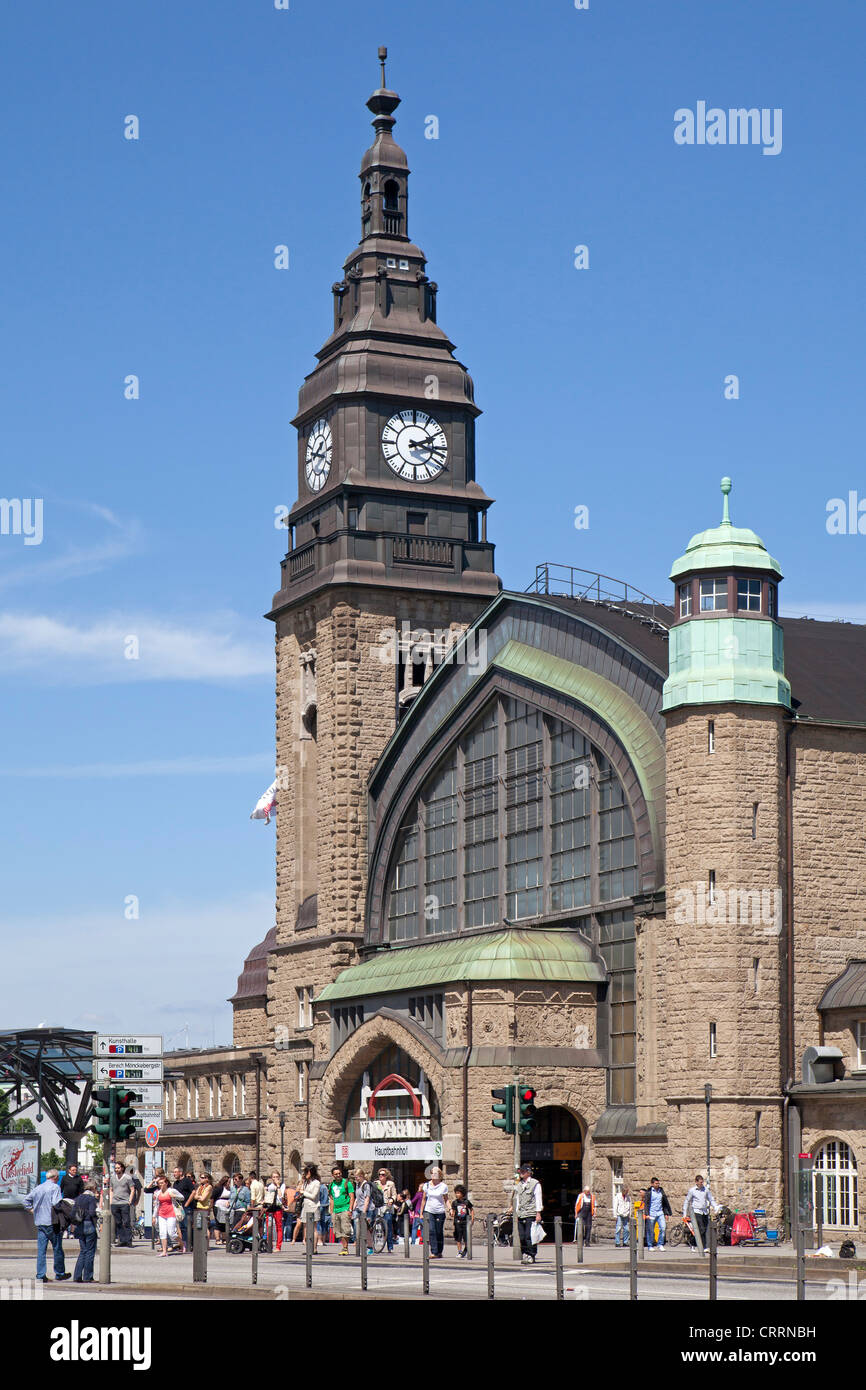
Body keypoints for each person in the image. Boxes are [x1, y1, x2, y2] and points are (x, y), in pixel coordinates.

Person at [24, 1169, 70, 1282]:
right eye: (58, 1177)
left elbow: (26, 1201)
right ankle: (59, 1273)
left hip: (40, 1221)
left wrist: (33, 1210)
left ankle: (40, 1275)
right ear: (55, 1177)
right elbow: (56, 1203)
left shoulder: (38, 1188)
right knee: (57, 1248)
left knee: (41, 1250)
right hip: (52, 1222)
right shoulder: (55, 1187)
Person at [71, 1179, 100, 1282]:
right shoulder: (91, 1198)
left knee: (83, 1251)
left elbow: (72, 1213)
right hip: (89, 1225)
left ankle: (77, 1276)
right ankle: (88, 1277)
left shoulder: (78, 1198)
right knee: (90, 1252)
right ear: (93, 1188)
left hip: (79, 1226)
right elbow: (92, 1213)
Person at [514, 1163, 544, 1265]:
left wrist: (538, 1213)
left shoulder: (535, 1184)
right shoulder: (519, 1185)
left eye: (523, 1171)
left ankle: (531, 1255)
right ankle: (525, 1253)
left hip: (531, 1213)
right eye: (520, 1171)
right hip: (521, 1213)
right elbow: (518, 1200)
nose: (521, 1173)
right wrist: (517, 1213)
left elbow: (538, 1199)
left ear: (528, 1172)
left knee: (529, 1236)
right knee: (522, 1236)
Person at [683, 1174, 720, 1250]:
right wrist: (685, 1213)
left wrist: (715, 1206)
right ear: (696, 1182)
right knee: (701, 1229)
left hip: (704, 1211)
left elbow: (710, 1199)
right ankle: (702, 1246)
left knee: (704, 1229)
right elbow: (687, 1201)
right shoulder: (692, 1191)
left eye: (702, 1182)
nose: (701, 1184)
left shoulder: (706, 1190)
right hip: (696, 1211)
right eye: (700, 1182)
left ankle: (695, 1243)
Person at [420, 1168, 449, 1259]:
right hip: (429, 1210)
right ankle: (434, 1252)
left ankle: (439, 1251)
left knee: (439, 1232)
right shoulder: (427, 1185)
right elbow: (424, 1199)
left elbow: (446, 1199)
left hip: (440, 1211)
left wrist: (450, 1208)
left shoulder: (443, 1186)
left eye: (435, 1173)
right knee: (431, 1231)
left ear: (439, 1175)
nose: (433, 1175)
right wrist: (421, 1213)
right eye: (432, 1173)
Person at [153, 1175, 185, 1257]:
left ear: (166, 1183)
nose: (160, 1185)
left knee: (171, 1233)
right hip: (161, 1214)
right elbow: (156, 1205)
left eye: (162, 1183)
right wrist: (154, 1216)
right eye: (159, 1183)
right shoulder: (158, 1193)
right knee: (162, 1233)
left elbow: (182, 1197)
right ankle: (164, 1251)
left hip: (171, 1213)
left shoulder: (171, 1191)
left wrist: (175, 1196)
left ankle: (182, 1243)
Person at [292, 1163, 321, 1248]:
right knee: (306, 1226)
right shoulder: (306, 1183)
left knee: (314, 1228)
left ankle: (314, 1247)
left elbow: (313, 1196)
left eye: (307, 1173)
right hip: (305, 1206)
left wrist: (303, 1192)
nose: (305, 1175)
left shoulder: (316, 1183)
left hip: (313, 1206)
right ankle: (308, 1246)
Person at [329, 1166, 354, 1255]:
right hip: (336, 1210)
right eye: (336, 1174)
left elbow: (351, 1197)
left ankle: (345, 1248)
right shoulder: (331, 1185)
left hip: (345, 1208)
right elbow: (331, 1198)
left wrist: (350, 1209)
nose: (338, 1175)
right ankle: (344, 1247)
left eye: (339, 1173)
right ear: (333, 1175)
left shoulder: (347, 1183)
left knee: (345, 1229)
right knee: (337, 1230)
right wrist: (331, 1211)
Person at [110, 1161, 135, 1248]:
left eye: (118, 1168)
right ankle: (122, 1240)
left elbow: (132, 1189)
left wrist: (129, 1200)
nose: (117, 1170)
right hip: (115, 1203)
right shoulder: (113, 1178)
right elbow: (111, 1189)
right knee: (118, 1222)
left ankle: (129, 1241)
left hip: (124, 1202)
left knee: (126, 1222)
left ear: (122, 1168)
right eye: (116, 1168)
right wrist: (111, 1201)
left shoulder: (128, 1178)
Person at [643, 1176, 672, 1250]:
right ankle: (650, 1245)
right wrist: (647, 1214)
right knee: (650, 1230)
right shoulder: (649, 1192)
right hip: (651, 1213)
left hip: (660, 1213)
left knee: (663, 1227)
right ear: (652, 1184)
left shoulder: (661, 1191)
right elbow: (646, 1203)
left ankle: (660, 1244)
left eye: (658, 1183)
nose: (657, 1185)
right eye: (656, 1183)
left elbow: (664, 1202)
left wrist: (666, 1213)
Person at [172, 1167, 195, 1252]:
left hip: (186, 1207)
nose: (174, 1174)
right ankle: (184, 1245)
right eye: (174, 1172)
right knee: (181, 1227)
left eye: (175, 1172)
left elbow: (193, 1192)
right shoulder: (175, 1183)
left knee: (187, 1226)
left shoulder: (186, 1181)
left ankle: (190, 1244)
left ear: (180, 1173)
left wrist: (187, 1203)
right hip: (179, 1207)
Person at [375, 1168, 398, 1253]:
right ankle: (375, 1245)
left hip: (387, 1207)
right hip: (378, 1207)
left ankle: (390, 1246)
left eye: (383, 1174)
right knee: (376, 1226)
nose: (381, 1176)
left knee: (387, 1226)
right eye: (379, 1174)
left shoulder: (390, 1184)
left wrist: (391, 1200)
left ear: (386, 1176)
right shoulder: (376, 1184)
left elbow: (394, 1195)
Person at [189, 1173, 213, 1249]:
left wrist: (198, 1197)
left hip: (204, 1208)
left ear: (207, 1179)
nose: (201, 1179)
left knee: (205, 1227)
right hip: (198, 1207)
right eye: (200, 1177)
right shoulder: (200, 1186)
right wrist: (198, 1197)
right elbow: (195, 1196)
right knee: (198, 1226)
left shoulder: (209, 1187)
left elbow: (203, 1199)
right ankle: (200, 1243)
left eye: (203, 1177)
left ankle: (207, 1245)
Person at [449, 1184, 474, 1258]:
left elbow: (471, 1209)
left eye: (458, 1193)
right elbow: (453, 1212)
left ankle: (466, 1249)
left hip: (465, 1222)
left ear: (462, 1193)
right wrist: (451, 1213)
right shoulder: (455, 1203)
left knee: (466, 1238)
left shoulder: (466, 1202)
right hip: (457, 1222)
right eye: (456, 1193)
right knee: (458, 1238)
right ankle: (459, 1251)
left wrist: (472, 1218)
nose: (457, 1194)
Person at [351, 1169, 373, 1253]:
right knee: (356, 1224)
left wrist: (364, 1211)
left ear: (362, 1176)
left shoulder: (366, 1185)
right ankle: (357, 1241)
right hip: (358, 1208)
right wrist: (353, 1208)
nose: (356, 1179)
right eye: (355, 1177)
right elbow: (357, 1197)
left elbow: (367, 1199)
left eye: (357, 1177)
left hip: (367, 1209)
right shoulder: (357, 1184)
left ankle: (370, 1247)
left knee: (366, 1228)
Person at [264, 1172, 285, 1249]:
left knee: (278, 1226)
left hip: (277, 1207)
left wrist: (278, 1186)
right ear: (271, 1178)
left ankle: (278, 1246)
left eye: (277, 1177)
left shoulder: (282, 1185)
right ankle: (269, 1245)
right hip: (269, 1207)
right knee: (268, 1226)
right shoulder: (269, 1186)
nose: (275, 1178)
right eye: (273, 1177)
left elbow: (280, 1195)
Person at [212, 1174, 231, 1247]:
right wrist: (211, 1206)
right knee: (218, 1222)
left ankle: (224, 1239)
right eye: (228, 1182)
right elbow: (212, 1197)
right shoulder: (219, 1188)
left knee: (225, 1222)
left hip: (226, 1207)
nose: (229, 1183)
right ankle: (217, 1239)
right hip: (218, 1206)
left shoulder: (230, 1189)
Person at [316, 1174, 332, 1249]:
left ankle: (319, 1240)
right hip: (324, 1206)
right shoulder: (324, 1187)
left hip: (319, 1206)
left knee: (318, 1223)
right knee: (323, 1223)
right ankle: (323, 1240)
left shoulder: (318, 1187)